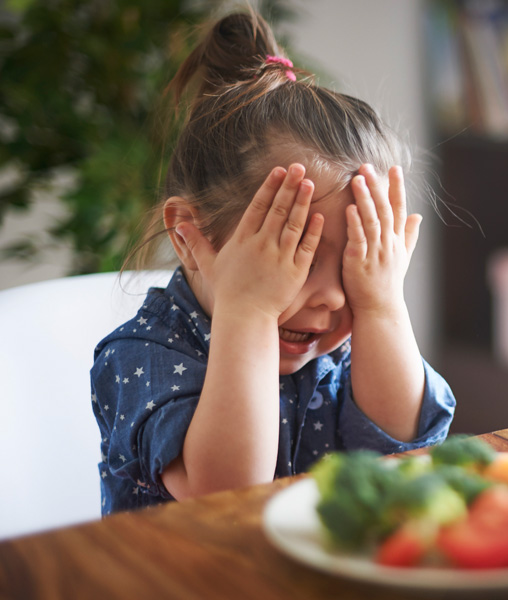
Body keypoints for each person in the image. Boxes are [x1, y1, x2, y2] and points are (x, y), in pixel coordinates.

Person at [90, 11, 455, 515]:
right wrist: (250, 312)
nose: (332, 296)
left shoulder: (347, 343)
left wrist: (381, 306)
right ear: (189, 237)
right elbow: (227, 493)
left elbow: (406, 446)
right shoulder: (141, 356)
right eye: (297, 261)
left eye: (355, 265)